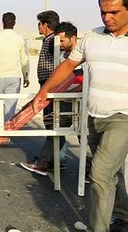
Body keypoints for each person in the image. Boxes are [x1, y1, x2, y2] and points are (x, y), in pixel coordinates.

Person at [30, 0, 128, 232]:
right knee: (110, 168)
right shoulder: (91, 37)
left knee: (101, 172)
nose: (107, 18)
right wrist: (43, 92)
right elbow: (68, 65)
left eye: (114, 12)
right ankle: (125, 212)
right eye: (103, 12)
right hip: (94, 115)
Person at [20, 22, 83, 176]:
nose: (59, 44)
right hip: (64, 100)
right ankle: (52, 162)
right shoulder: (62, 57)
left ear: (73, 38)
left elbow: (84, 82)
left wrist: (65, 93)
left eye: (61, 41)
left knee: (83, 136)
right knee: (55, 130)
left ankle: (86, 170)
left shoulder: (82, 55)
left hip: (79, 101)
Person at [0, 12, 30, 127]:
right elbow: (25, 59)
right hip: (14, 77)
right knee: (10, 106)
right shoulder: (20, 39)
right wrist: (26, 76)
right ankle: (6, 133)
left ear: (2, 23)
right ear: (14, 23)